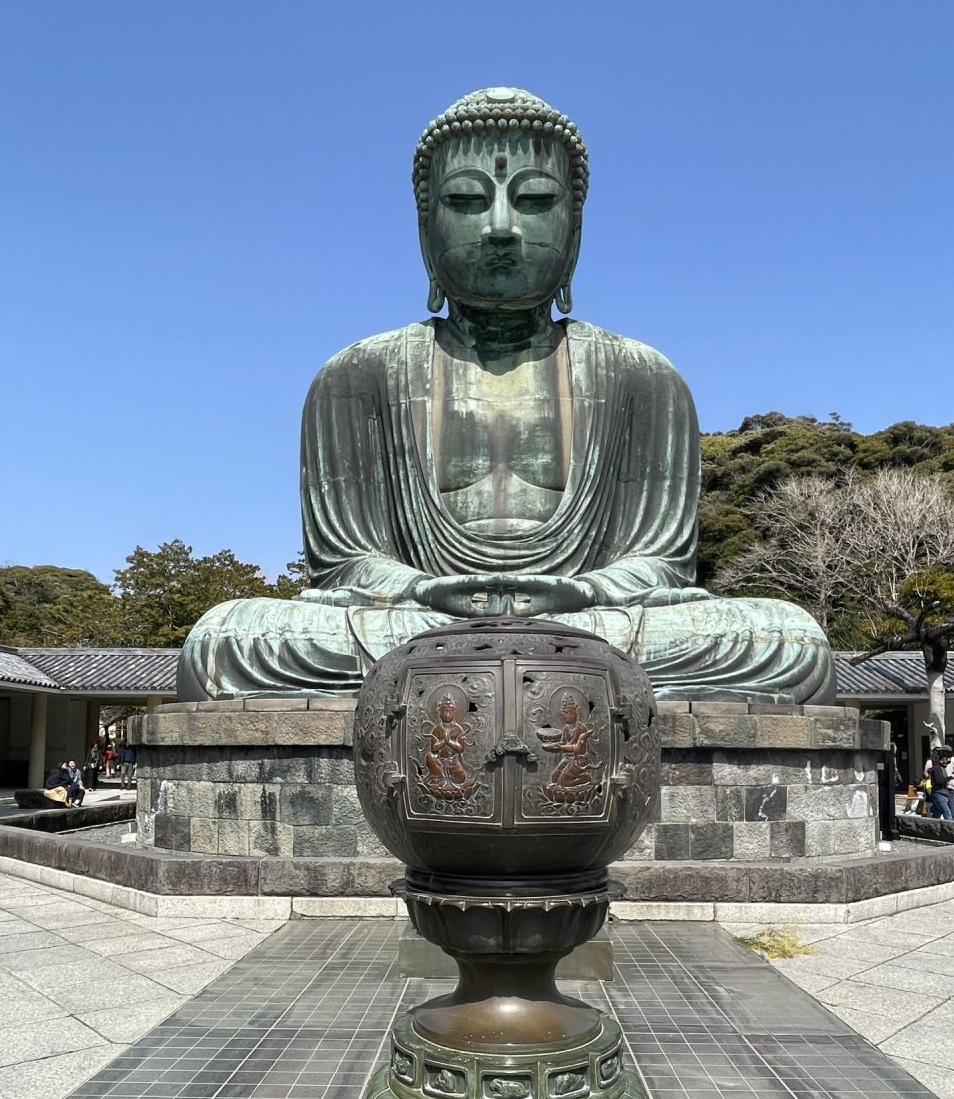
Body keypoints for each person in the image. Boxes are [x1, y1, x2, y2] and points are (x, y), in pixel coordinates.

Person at [175, 87, 836, 705]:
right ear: (425, 227)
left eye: (534, 199)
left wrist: (583, 593)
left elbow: (660, 564)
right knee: (228, 642)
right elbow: (345, 564)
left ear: (575, 227)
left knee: (788, 642)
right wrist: (422, 589)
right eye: (466, 199)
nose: (499, 227)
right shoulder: (357, 376)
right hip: (420, 618)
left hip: (587, 619)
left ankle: (485, 673)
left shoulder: (642, 376)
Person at [927, 746, 954, 820]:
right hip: (938, 793)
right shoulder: (937, 768)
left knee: (937, 813)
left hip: (941, 792)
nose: (948, 760)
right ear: (943, 758)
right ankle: (950, 826)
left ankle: (931, 825)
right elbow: (940, 780)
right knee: (947, 813)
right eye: (947, 758)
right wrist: (951, 777)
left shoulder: (940, 767)